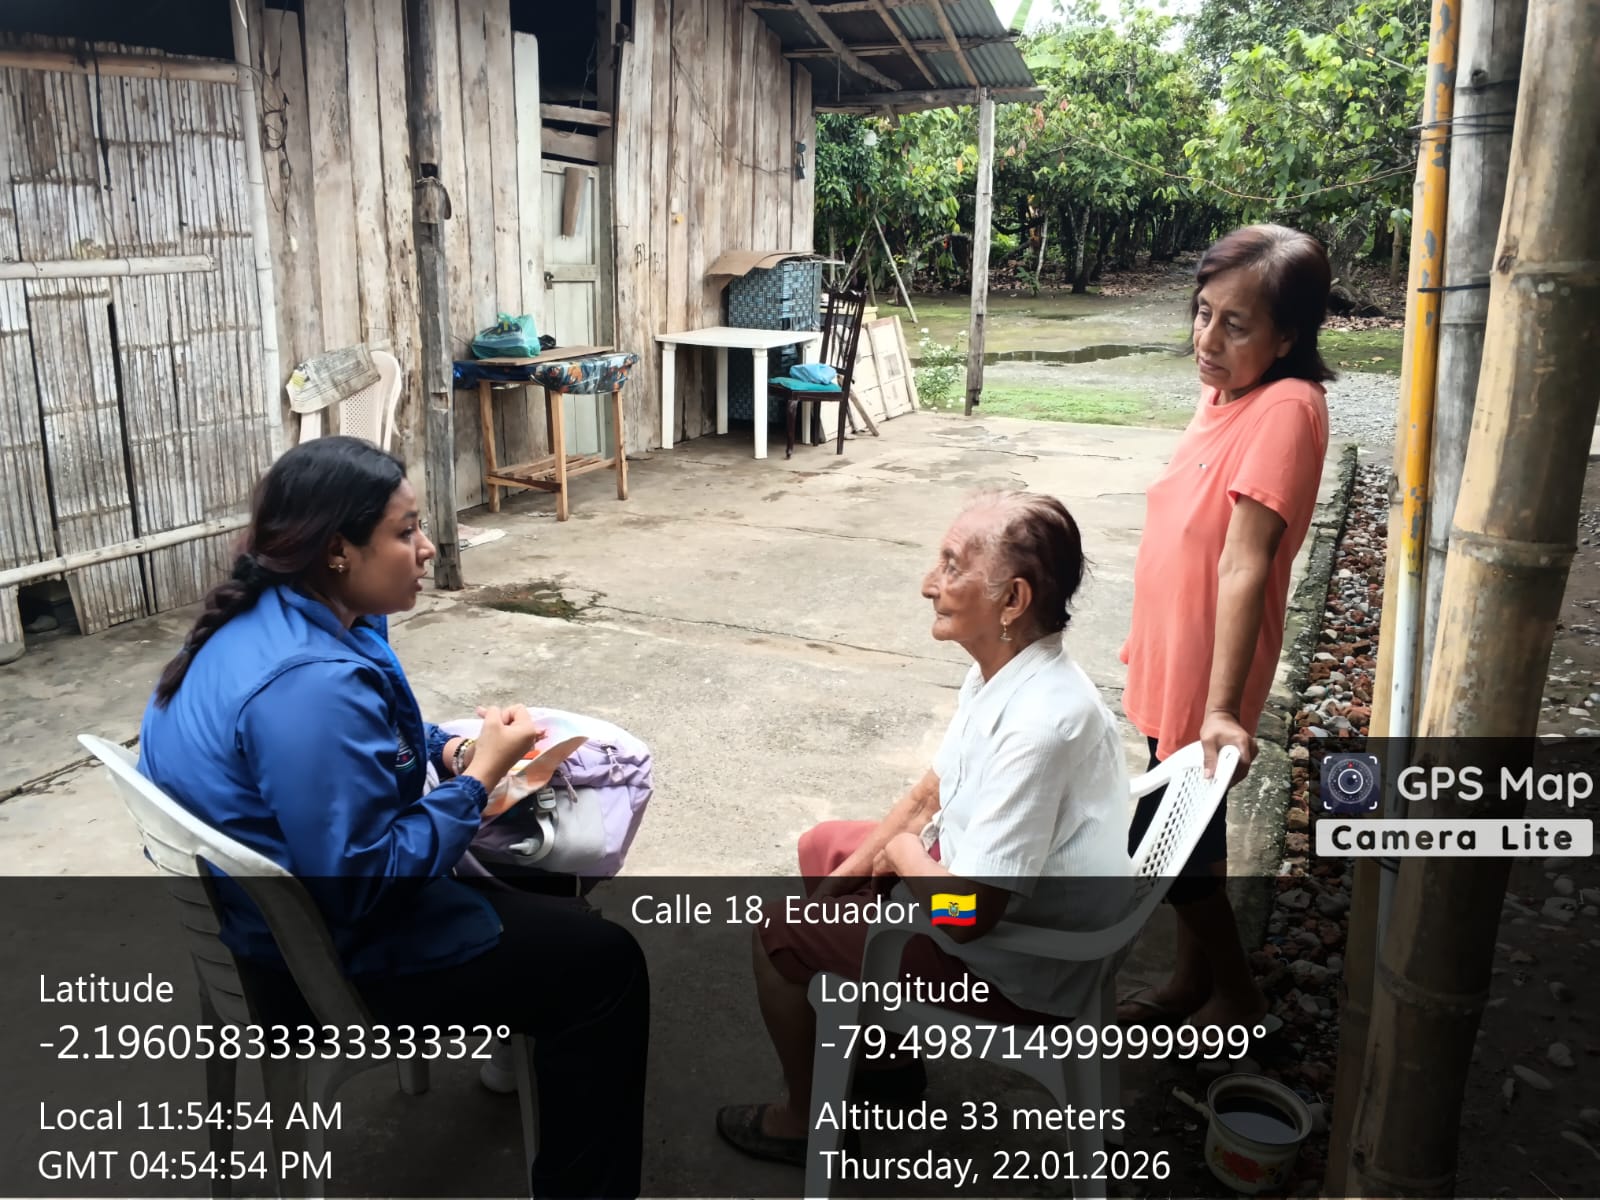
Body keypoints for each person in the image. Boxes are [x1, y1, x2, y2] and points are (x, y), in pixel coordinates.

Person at [138, 436, 648, 1199]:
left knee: (535, 864)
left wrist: (448, 752)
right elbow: (363, 882)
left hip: (262, 918)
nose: (427, 547)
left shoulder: (275, 618)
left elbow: (370, 748)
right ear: (337, 550)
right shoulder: (310, 685)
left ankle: (521, 1045)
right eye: (405, 531)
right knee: (607, 964)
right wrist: (478, 779)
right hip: (314, 959)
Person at [715, 491, 1132, 1167]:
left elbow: (967, 916)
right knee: (824, 849)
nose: (928, 584)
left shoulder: (1040, 726)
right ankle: (887, 1064)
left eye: (952, 565)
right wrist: (842, 885)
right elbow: (927, 794)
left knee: (776, 936)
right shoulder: (1005, 671)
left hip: (1017, 965)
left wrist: (904, 854)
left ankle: (802, 1121)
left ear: (1012, 600)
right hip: (1001, 904)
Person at [1117, 224, 1334, 1034]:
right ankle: (1190, 982)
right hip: (1174, 655)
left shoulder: (1287, 408)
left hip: (1210, 675)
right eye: (1204, 313)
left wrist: (1219, 709)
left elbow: (1244, 562)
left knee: (1164, 849)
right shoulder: (1225, 393)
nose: (1207, 340)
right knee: (1195, 840)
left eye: (1235, 325)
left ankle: (1236, 991)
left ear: (1288, 337)